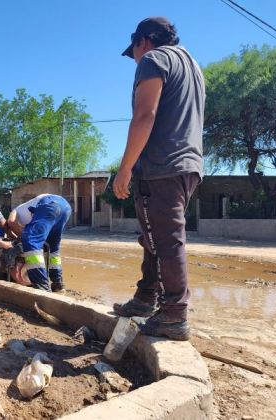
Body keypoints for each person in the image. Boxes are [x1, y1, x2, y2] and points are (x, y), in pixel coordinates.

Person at [113, 17, 205, 340]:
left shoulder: (155, 59)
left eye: (134, 51)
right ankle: (146, 298)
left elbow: (145, 114)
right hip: (188, 165)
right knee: (156, 234)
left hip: (163, 165)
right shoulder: (193, 66)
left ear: (144, 41)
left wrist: (125, 168)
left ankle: (174, 314)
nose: (135, 59)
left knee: (166, 239)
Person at [7, 194, 71, 292]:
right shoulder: (28, 211)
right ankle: (57, 283)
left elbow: (11, 222)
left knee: (30, 240)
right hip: (65, 207)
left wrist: (21, 238)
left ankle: (42, 286)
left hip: (49, 204)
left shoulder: (16, 211)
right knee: (53, 247)